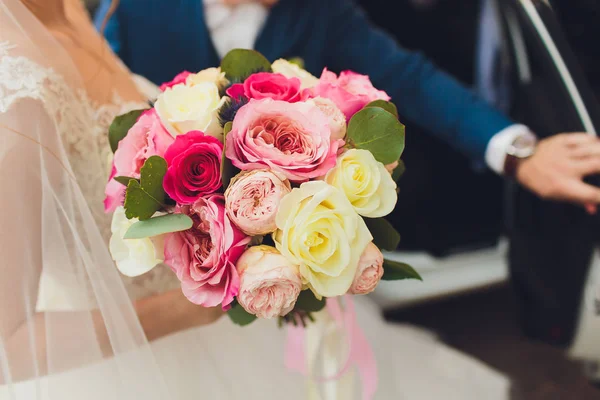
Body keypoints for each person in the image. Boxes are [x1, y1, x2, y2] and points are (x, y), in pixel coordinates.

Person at [0, 0, 512, 398]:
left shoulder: (68, 12)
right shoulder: (20, 96)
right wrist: (191, 311)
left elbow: (412, 77)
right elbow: (8, 346)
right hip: (133, 354)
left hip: (231, 317)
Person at [96, 0, 600, 215]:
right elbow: (96, 115)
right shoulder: (133, 9)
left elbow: (413, 80)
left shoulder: (322, 11)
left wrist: (517, 152)